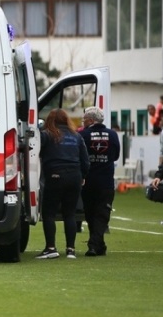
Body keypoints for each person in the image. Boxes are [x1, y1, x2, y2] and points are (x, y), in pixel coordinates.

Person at [36, 108, 90, 260]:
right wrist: (83, 175)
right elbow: (85, 160)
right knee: (70, 214)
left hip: (55, 175)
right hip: (74, 176)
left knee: (49, 213)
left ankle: (51, 248)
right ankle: (71, 249)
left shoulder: (46, 135)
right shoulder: (77, 136)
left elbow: (35, 153)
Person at [80, 107, 120, 257]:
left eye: (84, 120)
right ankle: (99, 244)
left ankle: (93, 245)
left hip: (88, 181)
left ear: (90, 120)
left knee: (90, 214)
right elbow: (115, 156)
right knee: (102, 214)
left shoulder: (83, 134)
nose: (83, 122)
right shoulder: (113, 134)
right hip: (106, 182)